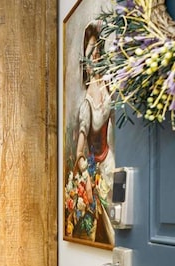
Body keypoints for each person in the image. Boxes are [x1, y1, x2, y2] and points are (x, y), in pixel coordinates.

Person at [72, 20, 115, 245]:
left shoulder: (109, 88)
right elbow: (79, 153)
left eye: (98, 51)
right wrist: (87, 179)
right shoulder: (86, 105)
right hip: (98, 168)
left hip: (111, 161)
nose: (95, 57)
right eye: (90, 52)